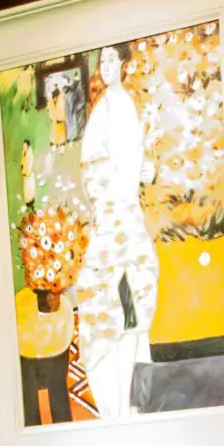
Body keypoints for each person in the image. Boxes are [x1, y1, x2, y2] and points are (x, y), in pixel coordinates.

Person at [74, 44, 158, 421]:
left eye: (112, 59)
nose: (105, 66)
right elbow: (96, 170)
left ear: (123, 63)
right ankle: (118, 406)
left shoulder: (123, 105)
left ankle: (128, 406)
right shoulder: (105, 108)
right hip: (112, 224)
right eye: (102, 60)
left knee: (128, 314)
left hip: (122, 225)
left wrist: (141, 174)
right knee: (114, 315)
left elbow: (130, 162)